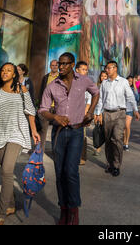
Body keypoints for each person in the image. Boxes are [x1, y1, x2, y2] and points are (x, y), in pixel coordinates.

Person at [38, 52, 99, 226]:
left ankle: (74, 211)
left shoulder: (84, 80)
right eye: (60, 64)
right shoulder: (52, 85)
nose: (61, 67)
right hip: (58, 132)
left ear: (72, 65)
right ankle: (63, 209)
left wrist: (90, 112)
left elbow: (96, 93)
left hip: (76, 131)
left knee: (71, 172)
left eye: (65, 64)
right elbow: (42, 109)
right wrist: (55, 117)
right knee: (59, 173)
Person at [0, 62, 40, 225]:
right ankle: (11, 204)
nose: (5, 72)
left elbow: (31, 111)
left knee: (6, 170)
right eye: (3, 70)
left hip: (17, 133)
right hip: (0, 134)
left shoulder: (22, 91)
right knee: (6, 174)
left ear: (14, 75)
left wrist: (34, 131)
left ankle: (1, 213)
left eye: (8, 70)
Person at [95, 61, 140, 177]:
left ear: (115, 69)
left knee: (117, 139)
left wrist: (135, 110)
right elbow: (100, 99)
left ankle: (116, 165)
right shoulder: (104, 83)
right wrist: (98, 113)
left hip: (120, 113)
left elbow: (130, 96)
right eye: (106, 69)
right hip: (107, 114)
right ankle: (109, 164)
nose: (107, 70)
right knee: (108, 140)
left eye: (109, 68)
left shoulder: (123, 82)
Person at [38, 60, 59, 153]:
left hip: (58, 107)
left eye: (56, 65)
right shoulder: (46, 77)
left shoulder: (62, 77)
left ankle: (55, 150)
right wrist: (40, 106)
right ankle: (40, 150)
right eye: (52, 65)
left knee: (57, 130)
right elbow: (41, 92)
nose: (54, 67)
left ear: (58, 67)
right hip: (46, 107)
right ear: (50, 66)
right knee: (43, 130)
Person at [75, 61, 90, 166]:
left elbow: (89, 100)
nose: (85, 71)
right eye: (83, 69)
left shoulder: (87, 82)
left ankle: (82, 157)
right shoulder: (71, 82)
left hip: (82, 114)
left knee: (82, 136)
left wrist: (85, 114)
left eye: (86, 70)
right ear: (77, 70)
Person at [93, 70, 108, 156]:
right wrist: (96, 113)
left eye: (105, 76)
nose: (103, 78)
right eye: (102, 76)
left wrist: (101, 113)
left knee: (105, 129)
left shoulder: (109, 86)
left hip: (105, 111)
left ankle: (103, 145)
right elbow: (95, 100)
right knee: (97, 128)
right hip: (97, 109)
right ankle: (97, 147)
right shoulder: (96, 86)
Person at [123, 76, 136, 151]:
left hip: (129, 110)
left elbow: (136, 97)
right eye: (128, 81)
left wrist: (134, 84)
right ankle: (123, 141)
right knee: (123, 127)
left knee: (127, 126)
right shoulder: (122, 88)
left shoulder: (133, 89)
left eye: (131, 81)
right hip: (121, 110)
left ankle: (126, 142)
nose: (129, 82)